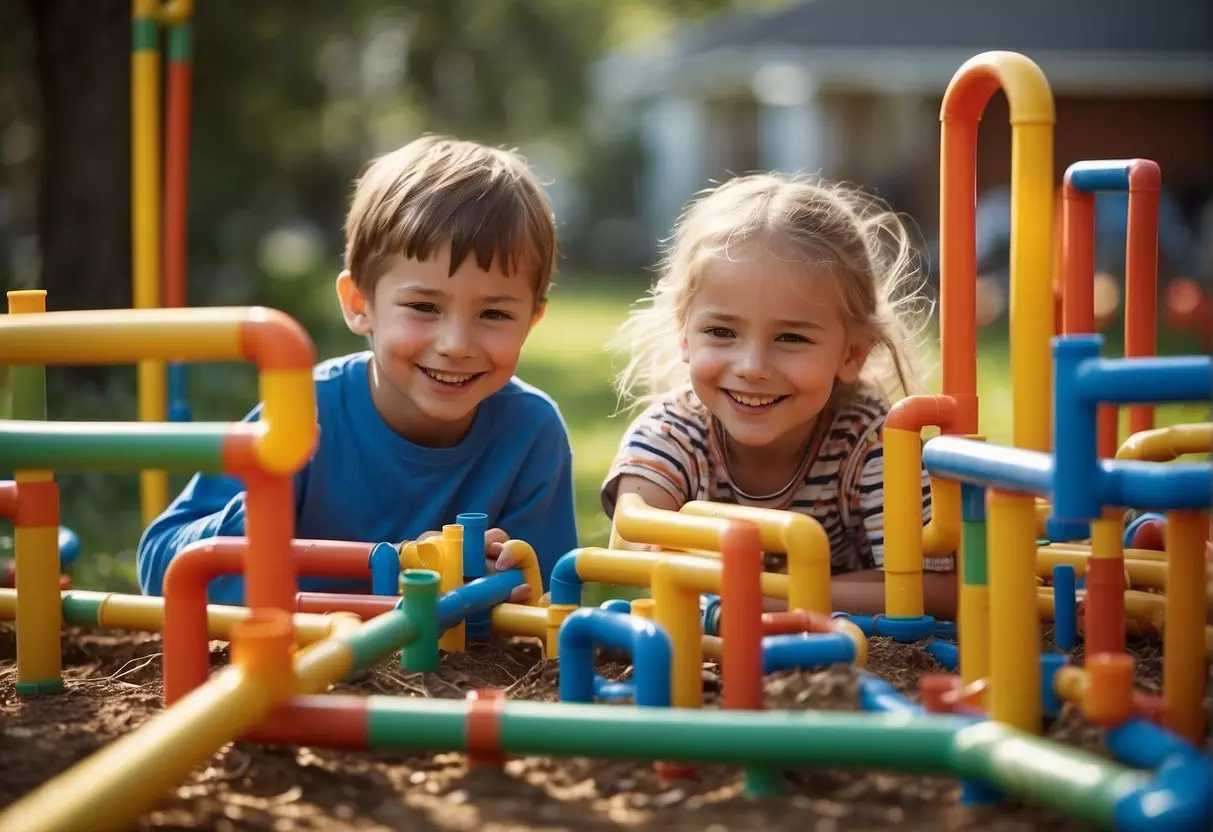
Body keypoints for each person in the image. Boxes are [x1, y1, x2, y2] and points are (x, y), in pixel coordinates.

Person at [138, 135, 579, 605]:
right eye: (424, 306)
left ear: (532, 319)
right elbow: (158, 562)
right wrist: (253, 518)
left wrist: (499, 587)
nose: (455, 345)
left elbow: (551, 603)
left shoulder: (532, 433)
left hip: (442, 675)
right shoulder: (305, 414)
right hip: (296, 664)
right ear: (359, 304)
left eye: (494, 315)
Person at [601, 172, 956, 619]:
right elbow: (633, 552)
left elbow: (938, 589)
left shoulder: (874, 443)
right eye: (722, 332)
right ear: (685, 335)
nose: (752, 367)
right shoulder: (672, 435)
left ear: (852, 354)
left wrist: (765, 600)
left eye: (791, 338)